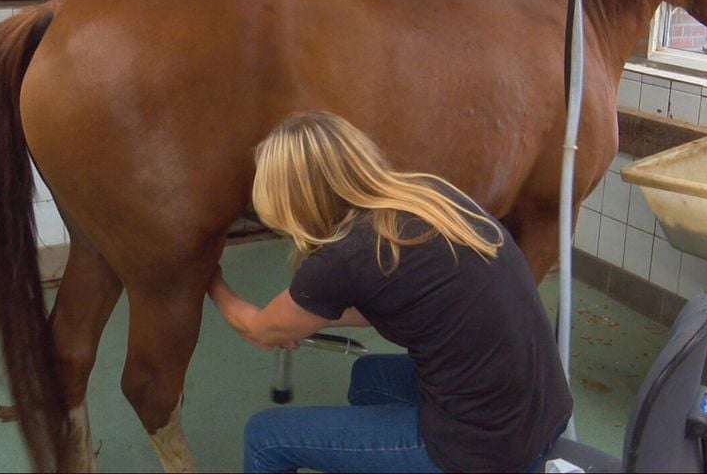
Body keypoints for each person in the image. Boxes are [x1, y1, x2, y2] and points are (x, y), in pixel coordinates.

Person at [207, 111, 573, 473]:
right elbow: (396, 302)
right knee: (370, 379)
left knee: (265, 438)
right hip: (541, 412)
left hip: (485, 448)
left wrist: (211, 279)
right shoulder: (425, 197)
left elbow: (259, 331)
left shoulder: (343, 257)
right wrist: (298, 323)